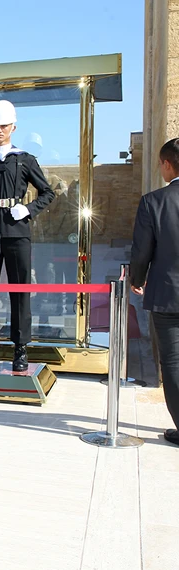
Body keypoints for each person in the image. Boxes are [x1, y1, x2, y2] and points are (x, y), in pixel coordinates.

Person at [0, 100, 56, 372]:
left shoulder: (25, 159)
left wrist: (28, 209)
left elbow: (48, 192)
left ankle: (21, 348)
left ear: (13, 127)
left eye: (4, 125)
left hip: (17, 229)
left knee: (20, 290)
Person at [130, 137, 179, 447]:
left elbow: (141, 250)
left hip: (167, 295)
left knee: (173, 362)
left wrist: (137, 277)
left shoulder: (154, 201)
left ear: (166, 164)